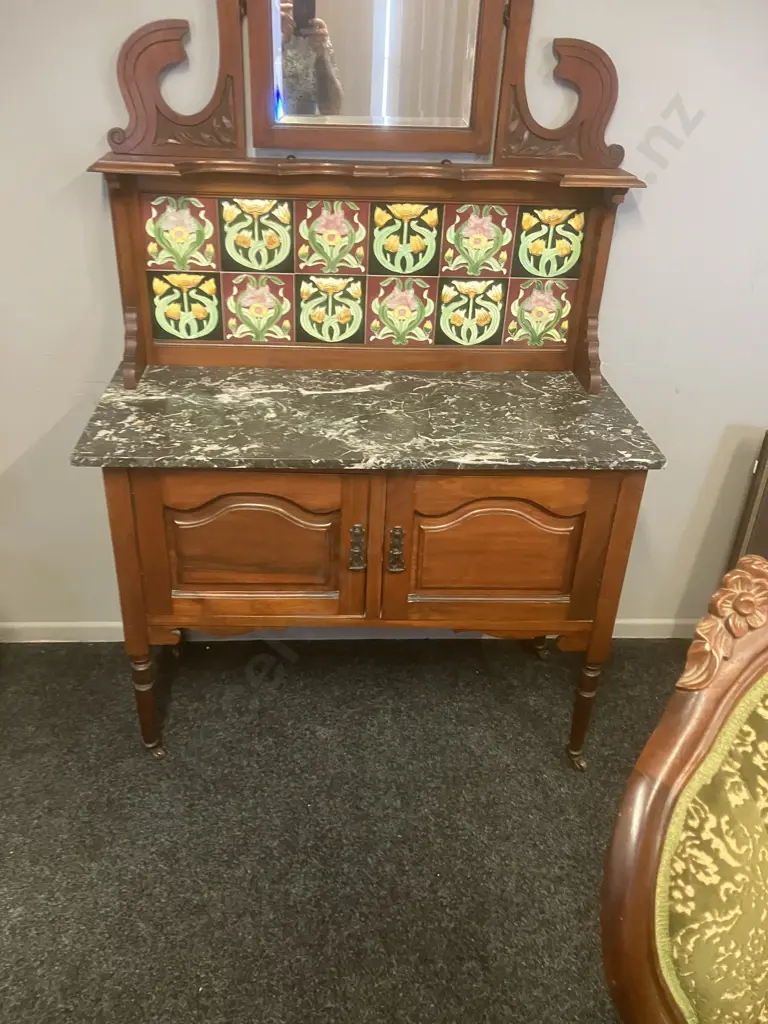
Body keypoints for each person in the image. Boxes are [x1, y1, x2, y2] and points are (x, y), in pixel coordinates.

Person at [280, 2, 343, 117]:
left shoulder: (317, 38)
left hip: (309, 126)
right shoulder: (263, 33)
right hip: (269, 126)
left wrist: (321, 57)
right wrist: (273, 42)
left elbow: (332, 109)